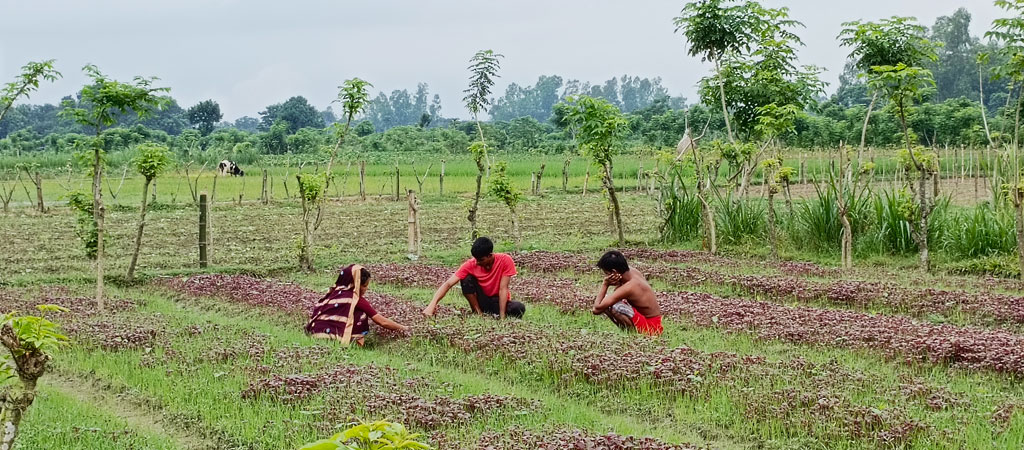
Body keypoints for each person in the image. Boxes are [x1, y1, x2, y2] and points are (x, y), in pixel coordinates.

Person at [422, 237, 525, 319]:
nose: (477, 263)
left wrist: (502, 317)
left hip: (497, 301)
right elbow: (448, 284)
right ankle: (478, 313)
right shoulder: (470, 265)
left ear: (490, 255)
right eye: (476, 259)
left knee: (518, 308)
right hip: (481, 300)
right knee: (466, 279)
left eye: (481, 260)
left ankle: (498, 315)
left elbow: (503, 289)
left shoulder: (505, 260)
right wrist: (431, 305)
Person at [306, 264, 408, 346]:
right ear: (356, 284)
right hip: (337, 341)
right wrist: (405, 329)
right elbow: (382, 322)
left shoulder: (332, 295)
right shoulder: (355, 299)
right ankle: (354, 344)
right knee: (361, 314)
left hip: (315, 338)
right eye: (364, 285)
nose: (366, 289)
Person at [591, 250, 663, 336]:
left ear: (614, 272)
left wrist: (605, 284)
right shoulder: (632, 272)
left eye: (607, 273)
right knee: (608, 302)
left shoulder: (629, 287)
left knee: (616, 306)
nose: (606, 277)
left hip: (651, 328)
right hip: (653, 321)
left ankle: (633, 335)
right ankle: (630, 332)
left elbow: (596, 309)